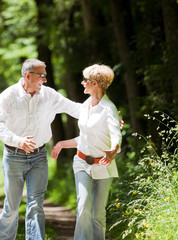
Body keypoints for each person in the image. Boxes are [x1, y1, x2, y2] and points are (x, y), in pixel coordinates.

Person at [0, 59, 81, 240]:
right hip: (13, 156)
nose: (45, 80)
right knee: (12, 206)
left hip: (39, 157)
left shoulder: (49, 95)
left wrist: (105, 114)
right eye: (42, 76)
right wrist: (18, 140)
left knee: (35, 205)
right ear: (28, 76)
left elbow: (75, 108)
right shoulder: (8, 96)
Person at [51, 64, 122, 240]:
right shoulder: (84, 106)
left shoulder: (108, 109)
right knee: (83, 206)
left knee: (98, 215)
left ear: (95, 83)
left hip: (103, 165)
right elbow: (83, 139)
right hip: (82, 163)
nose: (82, 83)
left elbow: (116, 135)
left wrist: (113, 150)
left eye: (86, 80)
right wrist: (60, 144)